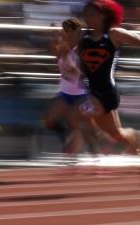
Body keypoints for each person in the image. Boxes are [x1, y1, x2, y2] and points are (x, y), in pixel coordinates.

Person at [76, 0, 140, 154]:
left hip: (106, 92)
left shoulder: (114, 33)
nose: (87, 18)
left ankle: (95, 156)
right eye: (86, 14)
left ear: (104, 15)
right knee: (116, 134)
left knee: (79, 115)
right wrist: (79, 74)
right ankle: (136, 139)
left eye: (92, 14)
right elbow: (85, 65)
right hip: (92, 91)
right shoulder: (84, 39)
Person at [41, 17, 99, 164]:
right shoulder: (63, 46)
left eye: (66, 30)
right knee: (49, 121)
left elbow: (75, 71)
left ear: (75, 32)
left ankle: (90, 153)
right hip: (65, 93)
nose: (63, 33)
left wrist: (65, 50)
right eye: (63, 30)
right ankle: (68, 138)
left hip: (82, 94)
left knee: (74, 122)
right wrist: (53, 37)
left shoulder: (82, 49)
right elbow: (56, 52)